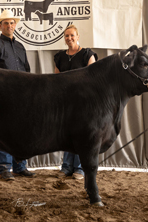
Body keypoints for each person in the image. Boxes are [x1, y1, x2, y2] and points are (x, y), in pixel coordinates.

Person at [0, 9, 35, 180]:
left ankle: (20, 167)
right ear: (0, 26)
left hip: (22, 96)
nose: (10, 25)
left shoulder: (21, 47)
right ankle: (5, 168)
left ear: (15, 25)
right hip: (3, 96)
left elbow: (27, 71)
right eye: (6, 23)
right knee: (4, 132)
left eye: (12, 22)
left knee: (22, 131)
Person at [54, 24, 98, 180]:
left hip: (83, 102)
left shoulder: (87, 54)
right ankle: (66, 167)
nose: (69, 38)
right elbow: (56, 80)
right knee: (67, 135)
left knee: (82, 135)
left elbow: (93, 79)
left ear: (78, 37)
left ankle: (80, 169)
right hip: (66, 102)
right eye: (66, 36)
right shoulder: (59, 57)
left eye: (72, 35)